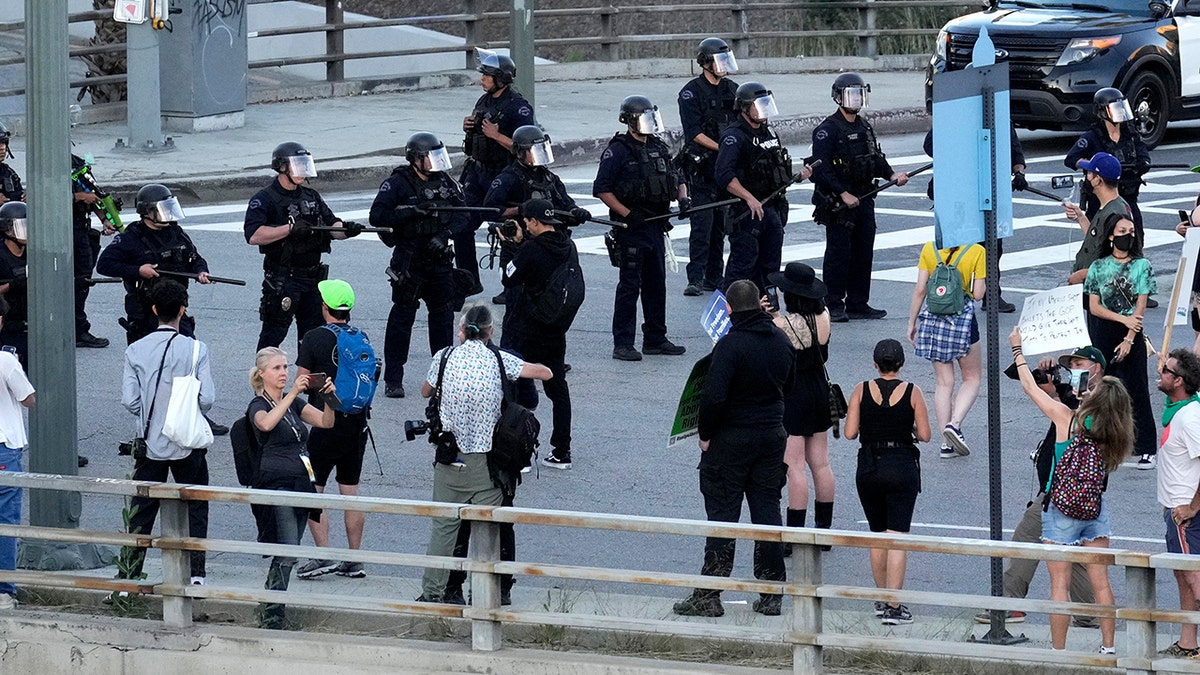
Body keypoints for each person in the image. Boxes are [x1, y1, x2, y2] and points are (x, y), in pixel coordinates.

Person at [673, 280, 794, 618]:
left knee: (723, 516)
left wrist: (706, 435)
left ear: (728, 308)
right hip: (771, 436)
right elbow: (790, 384)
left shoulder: (729, 346)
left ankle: (709, 596)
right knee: (767, 514)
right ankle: (771, 594)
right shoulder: (781, 342)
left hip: (731, 440)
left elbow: (713, 397)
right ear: (760, 304)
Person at [416, 304, 552, 603]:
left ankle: (433, 592)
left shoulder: (444, 357)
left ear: (461, 331)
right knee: (490, 529)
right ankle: (489, 594)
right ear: (491, 332)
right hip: (487, 463)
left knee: (444, 528)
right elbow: (545, 372)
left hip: (449, 458)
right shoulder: (499, 359)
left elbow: (426, 391)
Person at [1009, 327, 1132, 655]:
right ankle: (1108, 647)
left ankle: (1059, 651)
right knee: (1101, 581)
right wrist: (1087, 382)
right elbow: (1091, 399)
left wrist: (1018, 351)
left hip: (1060, 506)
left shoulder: (1066, 419)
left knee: (1059, 584)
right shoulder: (1112, 427)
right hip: (1094, 507)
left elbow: (1028, 387)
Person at [974, 346, 1103, 626]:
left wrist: (1019, 350)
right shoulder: (1080, 398)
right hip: (1079, 494)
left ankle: (1010, 604)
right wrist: (1054, 386)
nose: (1075, 369)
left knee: (1026, 539)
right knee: (1074, 552)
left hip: (1060, 492)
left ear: (1097, 368)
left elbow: (1063, 413)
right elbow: (1036, 390)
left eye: (1079, 363)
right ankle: (1089, 612)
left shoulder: (1098, 402)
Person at [115, 280, 214, 588]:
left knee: (141, 510)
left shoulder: (135, 350)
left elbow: (130, 401)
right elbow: (207, 398)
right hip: (187, 440)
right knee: (196, 504)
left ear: (154, 309)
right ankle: (196, 573)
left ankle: (129, 576)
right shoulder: (197, 348)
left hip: (150, 442)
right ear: (183, 311)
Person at [369, 132, 467, 399]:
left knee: (443, 320)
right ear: (415, 159)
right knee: (402, 319)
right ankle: (393, 378)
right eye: (429, 157)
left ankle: (442, 375)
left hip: (439, 261)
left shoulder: (445, 182)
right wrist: (411, 212)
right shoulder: (398, 184)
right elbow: (377, 215)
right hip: (410, 260)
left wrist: (444, 235)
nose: (435, 163)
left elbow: (464, 214)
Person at [247, 345, 337, 629]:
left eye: (285, 367)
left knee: (291, 549)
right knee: (287, 551)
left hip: (301, 482)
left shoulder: (294, 403)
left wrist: (328, 398)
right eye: (277, 368)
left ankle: (270, 607)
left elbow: (326, 422)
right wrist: (294, 394)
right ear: (262, 374)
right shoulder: (258, 405)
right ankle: (273, 615)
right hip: (278, 485)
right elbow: (265, 425)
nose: (284, 373)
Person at [594, 95, 689, 362]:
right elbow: (602, 188)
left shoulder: (657, 146)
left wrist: (683, 198)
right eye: (643, 119)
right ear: (629, 121)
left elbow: (677, 176)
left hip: (656, 227)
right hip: (631, 228)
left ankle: (655, 339)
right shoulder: (618, 151)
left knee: (656, 285)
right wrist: (628, 214)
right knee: (629, 287)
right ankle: (623, 343)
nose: (648, 125)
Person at [292, 280, 376, 581]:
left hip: (327, 421)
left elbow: (301, 382)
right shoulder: (361, 336)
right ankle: (354, 559)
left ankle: (324, 554)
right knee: (350, 490)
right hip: (357, 422)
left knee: (313, 488)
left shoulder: (315, 337)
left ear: (324, 307)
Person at [844, 338, 932, 626]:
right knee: (897, 537)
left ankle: (882, 598)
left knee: (877, 535)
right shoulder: (912, 391)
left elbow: (849, 432)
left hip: (869, 467)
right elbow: (926, 434)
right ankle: (895, 606)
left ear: (875, 364)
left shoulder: (861, 389)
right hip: (902, 465)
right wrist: (908, 428)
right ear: (901, 364)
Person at [244, 141, 363, 351]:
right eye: (297, 165)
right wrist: (289, 230)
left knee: (312, 337)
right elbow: (254, 235)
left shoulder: (312, 196)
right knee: (273, 334)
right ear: (282, 167)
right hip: (284, 278)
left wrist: (346, 230)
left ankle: (308, 382)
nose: (302, 171)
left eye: (304, 164)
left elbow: (331, 225)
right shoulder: (265, 199)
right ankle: (263, 381)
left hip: (313, 278)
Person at [811, 73, 908, 322]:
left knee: (864, 251)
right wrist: (843, 194)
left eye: (859, 95)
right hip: (839, 203)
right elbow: (821, 170)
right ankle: (833, 303)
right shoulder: (827, 130)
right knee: (838, 253)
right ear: (838, 97)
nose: (856, 100)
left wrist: (891, 175)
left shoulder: (864, 126)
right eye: (851, 95)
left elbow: (875, 157)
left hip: (865, 197)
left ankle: (858, 302)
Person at [499, 199, 578, 469]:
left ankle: (518, 452)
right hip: (556, 328)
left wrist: (511, 246)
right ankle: (562, 451)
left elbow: (509, 278)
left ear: (533, 222)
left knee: (514, 386)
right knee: (558, 388)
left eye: (527, 222)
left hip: (528, 328)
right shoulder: (568, 246)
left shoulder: (531, 249)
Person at [764, 263, 835, 550]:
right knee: (820, 462)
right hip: (819, 388)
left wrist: (770, 315)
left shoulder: (781, 325)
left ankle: (794, 534)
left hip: (793, 394)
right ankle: (824, 531)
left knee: (794, 465)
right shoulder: (825, 316)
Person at [922, 119, 1026, 313]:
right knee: (957, 245)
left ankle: (991, 295)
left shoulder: (999, 115)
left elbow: (1012, 146)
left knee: (993, 247)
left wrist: (1019, 171)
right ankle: (953, 292)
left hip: (989, 187)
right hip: (959, 190)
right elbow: (930, 145)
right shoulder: (958, 115)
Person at [714, 82, 808, 293]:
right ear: (745, 108)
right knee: (742, 267)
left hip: (772, 207)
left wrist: (798, 176)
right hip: (746, 212)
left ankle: (766, 312)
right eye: (759, 105)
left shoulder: (769, 134)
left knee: (770, 266)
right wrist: (749, 198)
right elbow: (723, 175)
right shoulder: (734, 136)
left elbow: (775, 171)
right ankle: (727, 316)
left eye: (766, 104)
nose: (764, 110)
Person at [1083, 209, 1157, 467]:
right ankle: (1102, 443)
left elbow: (1141, 305)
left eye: (1131, 233)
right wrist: (1123, 320)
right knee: (1102, 389)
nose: (1128, 236)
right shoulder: (1098, 267)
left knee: (1137, 388)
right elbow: (1094, 306)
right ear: (1111, 237)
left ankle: (1146, 446)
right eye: (1122, 232)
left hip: (1131, 333)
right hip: (1105, 329)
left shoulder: (1142, 266)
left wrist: (1129, 337)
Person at [483, 125, 589, 305]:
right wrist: (519, 210)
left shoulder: (549, 178)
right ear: (519, 152)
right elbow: (491, 210)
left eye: (541, 150)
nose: (538, 155)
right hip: (524, 244)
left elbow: (566, 204)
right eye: (533, 151)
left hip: (551, 243)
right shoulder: (508, 179)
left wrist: (575, 213)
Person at [458, 48, 536, 294]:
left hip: (505, 174)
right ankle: (468, 280)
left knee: (510, 229)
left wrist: (497, 136)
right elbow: (477, 133)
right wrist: (468, 126)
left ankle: (510, 286)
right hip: (478, 172)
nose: (482, 79)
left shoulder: (518, 107)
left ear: (500, 79)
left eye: (487, 75)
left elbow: (528, 147)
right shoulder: (484, 100)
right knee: (461, 224)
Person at [96, 184, 213, 345]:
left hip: (174, 307)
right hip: (145, 311)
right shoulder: (131, 238)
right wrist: (138, 270)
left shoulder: (176, 233)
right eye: (162, 210)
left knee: (188, 349)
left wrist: (201, 271)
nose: (168, 214)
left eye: (169, 208)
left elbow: (194, 258)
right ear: (147, 211)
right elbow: (104, 265)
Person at [906, 241, 985, 459]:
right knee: (972, 377)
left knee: (943, 382)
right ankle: (955, 424)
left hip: (933, 319)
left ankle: (946, 443)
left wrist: (912, 322)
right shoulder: (977, 251)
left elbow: (921, 289)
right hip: (962, 320)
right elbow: (978, 294)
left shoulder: (929, 248)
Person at [677, 37, 739, 296]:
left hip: (725, 168)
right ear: (705, 63)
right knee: (702, 224)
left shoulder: (733, 89)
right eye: (719, 60)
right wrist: (723, 148)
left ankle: (715, 277)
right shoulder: (690, 92)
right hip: (702, 167)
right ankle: (696, 277)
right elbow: (694, 133)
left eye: (726, 60)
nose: (724, 66)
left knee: (720, 226)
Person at [1155, 349, 1200, 658]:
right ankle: (1188, 643)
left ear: (1179, 381)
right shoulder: (1179, 410)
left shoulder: (1190, 417)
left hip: (1186, 513)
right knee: (1184, 580)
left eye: (1166, 371)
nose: (1161, 372)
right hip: (1176, 510)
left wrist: (1193, 507)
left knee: (1196, 583)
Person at [1064, 88, 1151, 243]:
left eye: (1122, 107)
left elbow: (1143, 154)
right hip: (1101, 199)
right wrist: (1092, 165)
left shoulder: (1131, 134)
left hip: (1127, 195)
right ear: (1102, 112)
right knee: (1099, 241)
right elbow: (1071, 159)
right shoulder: (1091, 137)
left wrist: (1143, 164)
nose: (1120, 113)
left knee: (1136, 237)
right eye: (1116, 109)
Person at [0, 295, 34, 610]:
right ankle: (4, 589)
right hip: (4, 446)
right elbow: (28, 398)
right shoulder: (7, 361)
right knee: (6, 519)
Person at [1063, 152, 1134, 287]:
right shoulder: (1109, 206)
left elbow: (1118, 262)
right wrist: (1081, 217)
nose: (1086, 178)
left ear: (1098, 180)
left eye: (1089, 173)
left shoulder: (1116, 214)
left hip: (1103, 290)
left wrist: (1082, 274)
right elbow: (1097, 237)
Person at [70, 153, 112, 349]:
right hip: (56, 233)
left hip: (80, 230)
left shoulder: (77, 165)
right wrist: (77, 197)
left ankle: (78, 329)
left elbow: (94, 193)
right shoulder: (45, 160)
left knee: (82, 281)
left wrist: (105, 220)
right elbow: (42, 194)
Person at [0, 202, 29, 369]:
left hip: (32, 326)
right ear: (8, 229)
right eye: (22, 226)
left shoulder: (35, 252)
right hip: (8, 329)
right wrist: (12, 285)